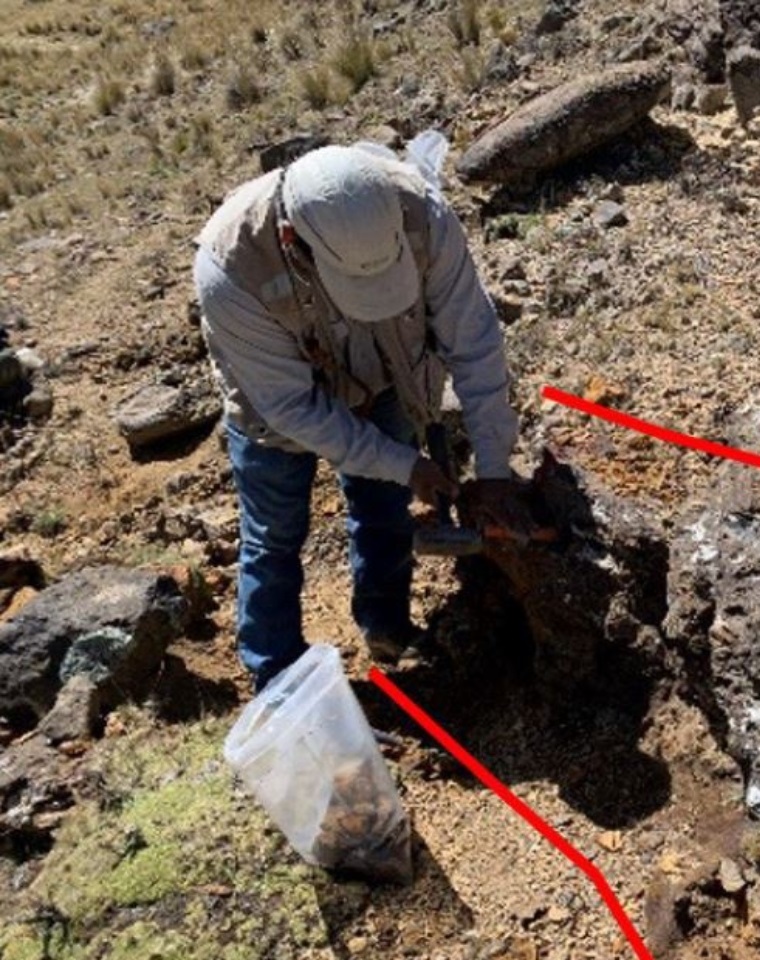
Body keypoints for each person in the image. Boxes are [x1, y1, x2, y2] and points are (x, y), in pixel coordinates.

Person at [194, 142, 529, 691]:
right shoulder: (231, 266)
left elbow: (474, 344)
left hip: (382, 375)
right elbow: (293, 407)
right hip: (275, 411)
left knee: (384, 509)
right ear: (292, 240)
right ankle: (279, 683)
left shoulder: (423, 214)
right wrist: (404, 463)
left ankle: (387, 628)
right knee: (274, 537)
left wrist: (493, 469)